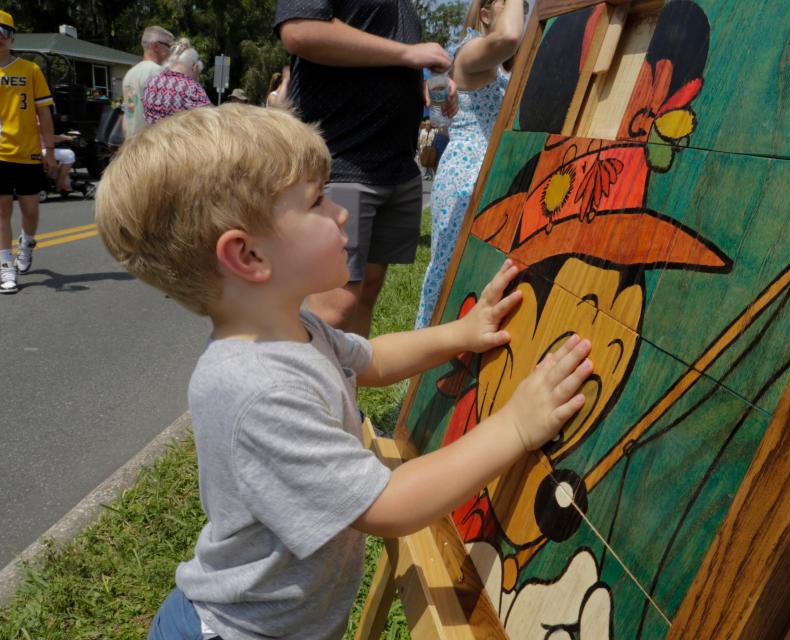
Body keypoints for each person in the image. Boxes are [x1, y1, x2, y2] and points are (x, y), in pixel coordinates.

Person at [94, 104, 592, 640]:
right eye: (317, 201)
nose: (340, 213)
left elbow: (371, 359)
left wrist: (461, 334)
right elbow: (389, 505)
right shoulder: (257, 389)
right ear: (247, 255)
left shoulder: (293, 329)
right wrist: (515, 426)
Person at [276, 1, 458, 337]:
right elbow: (300, 30)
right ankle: (299, 386)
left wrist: (424, 81)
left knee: (365, 296)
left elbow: (381, 54)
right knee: (335, 309)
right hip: (341, 159)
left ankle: (346, 388)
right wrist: (407, 54)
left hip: (394, 166)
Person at [415, 0, 525, 328]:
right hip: (467, 176)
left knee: (475, 273)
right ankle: (426, 356)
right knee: (450, 272)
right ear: (486, 15)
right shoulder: (469, 50)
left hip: (479, 171)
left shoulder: (490, 65)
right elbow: (508, 37)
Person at [0, 7, 57, 294]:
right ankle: (6, 268)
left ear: (12, 37)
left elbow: (44, 113)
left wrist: (50, 150)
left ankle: (27, 243)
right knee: (1, 208)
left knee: (31, 209)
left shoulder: (31, 70)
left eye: (3, 31)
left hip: (28, 150)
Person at [142, 38, 211, 125]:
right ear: (195, 67)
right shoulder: (192, 88)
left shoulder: (151, 82)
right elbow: (211, 122)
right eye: (198, 74)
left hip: (151, 137)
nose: (197, 79)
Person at [121, 25, 174, 138]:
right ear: (156, 46)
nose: (171, 52)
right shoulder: (160, 73)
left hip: (132, 149)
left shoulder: (129, 75)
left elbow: (127, 117)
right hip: (153, 149)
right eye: (169, 46)